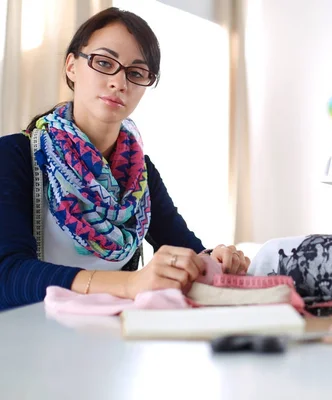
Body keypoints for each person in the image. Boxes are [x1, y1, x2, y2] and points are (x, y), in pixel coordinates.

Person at [0, 7, 250, 311]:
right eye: (104, 63)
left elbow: (186, 252)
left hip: (110, 343)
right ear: (71, 67)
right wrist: (131, 284)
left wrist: (215, 259)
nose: (120, 83)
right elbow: (8, 274)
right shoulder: (15, 155)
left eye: (136, 73)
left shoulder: (139, 174)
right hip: (26, 344)